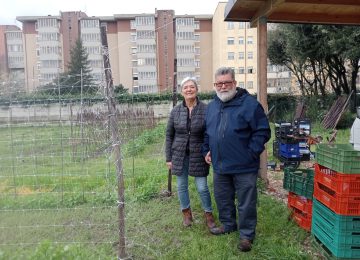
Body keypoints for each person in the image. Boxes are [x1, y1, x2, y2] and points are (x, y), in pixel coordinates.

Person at [202, 67, 271, 252]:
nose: (223, 86)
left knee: (246, 201)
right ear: (215, 85)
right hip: (220, 165)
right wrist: (206, 150)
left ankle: (247, 235)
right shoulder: (212, 106)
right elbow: (208, 133)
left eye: (227, 82)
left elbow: (263, 131)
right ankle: (228, 224)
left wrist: (251, 153)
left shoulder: (249, 104)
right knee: (222, 198)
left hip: (244, 165)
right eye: (219, 83)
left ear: (234, 83)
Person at [165, 77, 217, 230]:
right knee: (181, 186)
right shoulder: (175, 111)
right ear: (182, 92)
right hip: (179, 155)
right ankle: (187, 214)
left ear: (196, 89)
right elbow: (169, 135)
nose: (189, 89)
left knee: (202, 187)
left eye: (191, 87)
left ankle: (209, 214)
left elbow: (211, 133)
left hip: (198, 154)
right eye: (185, 87)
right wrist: (168, 158)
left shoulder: (206, 110)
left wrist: (209, 150)